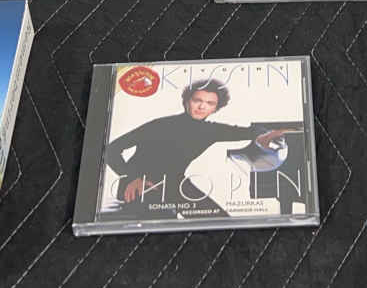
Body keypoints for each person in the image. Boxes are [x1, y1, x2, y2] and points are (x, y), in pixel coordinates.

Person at [102, 78, 292, 218]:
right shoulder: (159, 125)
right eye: (197, 100)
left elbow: (246, 131)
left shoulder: (211, 131)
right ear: (187, 101)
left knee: (220, 220)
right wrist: (133, 177)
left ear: (216, 108)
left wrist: (265, 134)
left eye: (210, 103)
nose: (202, 107)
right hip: (139, 184)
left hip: (174, 185)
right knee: (162, 220)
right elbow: (112, 149)